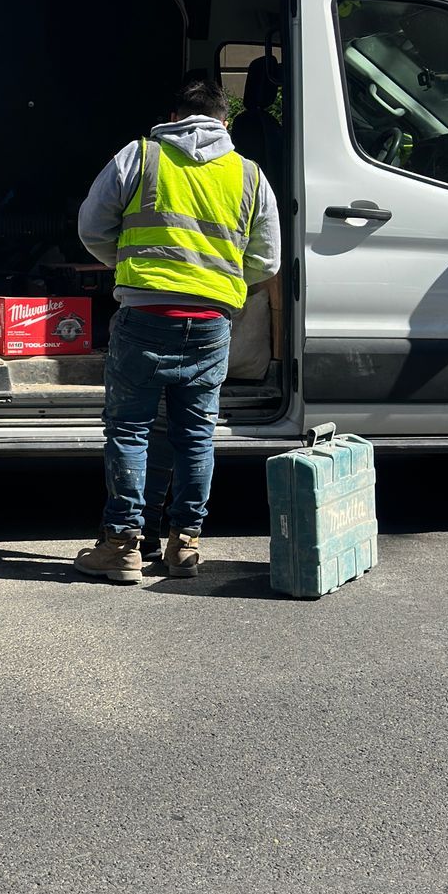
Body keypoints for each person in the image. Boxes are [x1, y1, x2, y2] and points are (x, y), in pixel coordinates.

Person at [72, 77, 280, 583]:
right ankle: (183, 546)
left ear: (171, 117)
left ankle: (122, 544)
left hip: (143, 316)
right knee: (196, 435)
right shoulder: (249, 175)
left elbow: (91, 228)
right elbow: (266, 259)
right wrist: (219, 283)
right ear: (223, 121)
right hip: (211, 323)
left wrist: (131, 266)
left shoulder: (140, 156)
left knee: (129, 429)